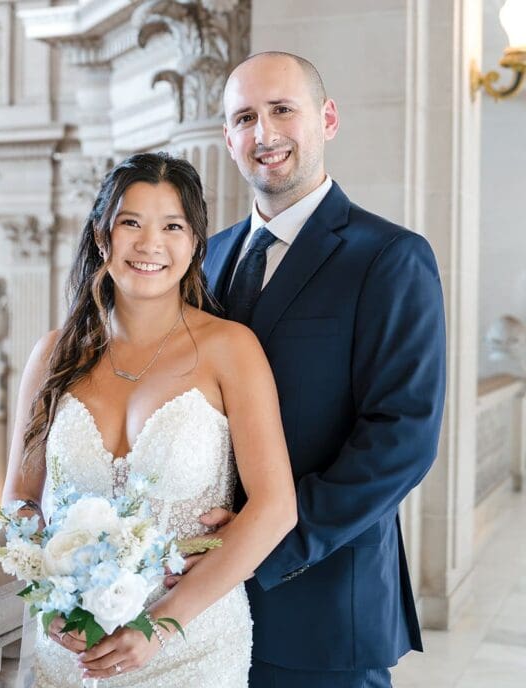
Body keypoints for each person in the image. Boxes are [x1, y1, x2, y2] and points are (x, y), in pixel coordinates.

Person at [171, 51, 446, 688]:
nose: (264, 133)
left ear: (327, 119)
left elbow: (402, 438)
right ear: (228, 138)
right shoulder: (204, 259)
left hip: (322, 604)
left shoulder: (390, 258)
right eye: (245, 118)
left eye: (282, 110)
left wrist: (260, 544)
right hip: (196, 607)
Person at [1, 152, 298, 687]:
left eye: (172, 227)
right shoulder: (53, 356)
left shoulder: (231, 349)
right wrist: (49, 597)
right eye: (131, 223)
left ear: (195, 243)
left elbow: (275, 507)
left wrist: (160, 625)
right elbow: (20, 500)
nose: (149, 244)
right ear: (101, 236)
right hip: (71, 653)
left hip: (191, 645)